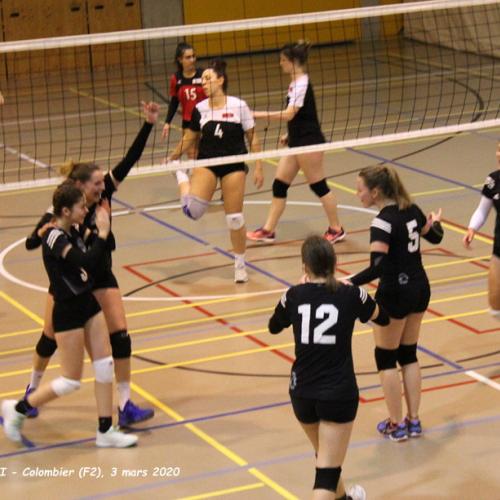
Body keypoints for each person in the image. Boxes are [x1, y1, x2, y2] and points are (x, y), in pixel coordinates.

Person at [23, 101, 160, 426]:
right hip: (70, 282)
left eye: (103, 183)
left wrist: (149, 123)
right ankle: (31, 392)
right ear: (80, 187)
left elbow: (130, 160)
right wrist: (42, 233)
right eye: (96, 183)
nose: (103, 187)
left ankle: (124, 405)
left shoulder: (104, 194)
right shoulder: (64, 208)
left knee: (121, 337)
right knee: (48, 339)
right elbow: (31, 242)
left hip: (100, 273)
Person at [2, 182, 137, 448]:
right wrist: (102, 232)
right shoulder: (54, 237)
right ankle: (17, 409)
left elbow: (105, 248)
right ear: (65, 211)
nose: (86, 210)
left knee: (104, 365)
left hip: (88, 304)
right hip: (67, 311)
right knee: (70, 381)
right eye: (81, 207)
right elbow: (85, 261)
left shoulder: (74, 229)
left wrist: (103, 228)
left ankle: (105, 431)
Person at [268, 235, 387, 500]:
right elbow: (382, 317)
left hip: (301, 392)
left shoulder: (293, 295)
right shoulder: (351, 294)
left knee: (326, 457)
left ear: (305, 267)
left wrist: (298, 292)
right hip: (337, 393)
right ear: (335, 264)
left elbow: (273, 326)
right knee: (327, 471)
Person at [348, 165, 443, 441]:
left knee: (386, 357)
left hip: (395, 294)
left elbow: (377, 267)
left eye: (360, 190)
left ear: (375, 192)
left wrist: (349, 283)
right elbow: (436, 237)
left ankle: (397, 424)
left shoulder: (382, 222)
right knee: (408, 354)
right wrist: (435, 221)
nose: (357, 194)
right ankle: (413, 421)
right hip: (420, 288)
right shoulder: (412, 210)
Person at [167, 59, 263, 283]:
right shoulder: (200, 109)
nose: (203, 83)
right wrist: (172, 158)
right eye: (202, 80)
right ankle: (181, 175)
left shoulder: (239, 106)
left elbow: (253, 138)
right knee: (193, 211)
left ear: (221, 80)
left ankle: (239, 264)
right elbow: (190, 137)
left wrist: (259, 166)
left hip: (233, 164)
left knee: (235, 218)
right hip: (207, 162)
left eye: (208, 79)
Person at [247, 41, 344, 245]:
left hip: (309, 142)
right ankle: (268, 230)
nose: (280, 63)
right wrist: (289, 134)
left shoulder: (301, 83)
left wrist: (257, 114)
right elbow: (302, 115)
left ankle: (336, 229)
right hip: (297, 141)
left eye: (283, 60)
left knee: (318, 186)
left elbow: (290, 114)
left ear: (292, 62)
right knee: (279, 185)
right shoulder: (295, 83)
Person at [463, 141, 500, 318]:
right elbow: (482, 210)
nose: (499, 154)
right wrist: (472, 228)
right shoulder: (493, 180)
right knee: (495, 308)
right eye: (498, 149)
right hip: (499, 250)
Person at [161, 42, 206, 161]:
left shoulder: (203, 74)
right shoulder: (176, 79)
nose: (192, 60)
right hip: (188, 122)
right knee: (192, 154)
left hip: (205, 119)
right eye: (188, 57)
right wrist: (167, 122)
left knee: (206, 153)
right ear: (180, 60)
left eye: (193, 56)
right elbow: (174, 101)